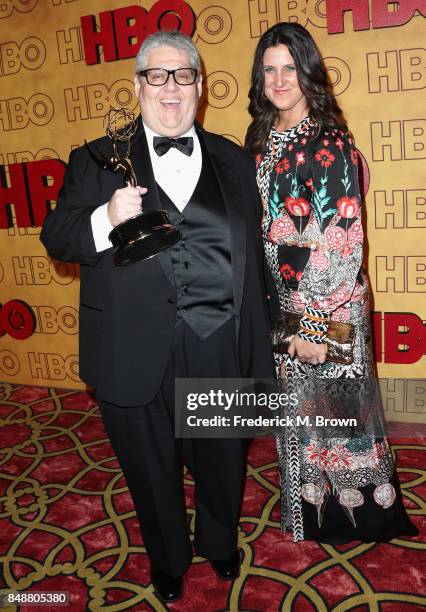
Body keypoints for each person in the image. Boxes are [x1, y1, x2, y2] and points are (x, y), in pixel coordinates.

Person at [41, 30, 275, 603]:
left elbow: (257, 255)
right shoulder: (95, 157)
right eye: (157, 75)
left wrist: (266, 341)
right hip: (131, 346)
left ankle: (220, 542)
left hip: (219, 340)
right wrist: (103, 217)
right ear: (138, 84)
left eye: (183, 76)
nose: (171, 89)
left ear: (200, 87)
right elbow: (57, 236)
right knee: (150, 469)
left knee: (223, 459)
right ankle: (168, 557)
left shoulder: (236, 161)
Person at [246, 22, 418, 543]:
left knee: (342, 413)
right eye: (269, 69)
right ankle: (308, 510)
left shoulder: (329, 139)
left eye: (289, 68)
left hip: (327, 304)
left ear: (308, 72)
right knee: (299, 409)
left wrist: (317, 323)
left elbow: (342, 237)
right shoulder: (260, 137)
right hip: (280, 298)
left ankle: (361, 518)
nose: (279, 80)